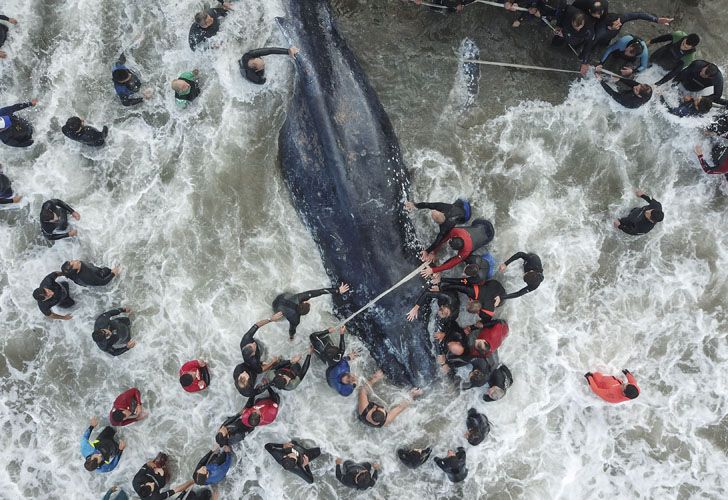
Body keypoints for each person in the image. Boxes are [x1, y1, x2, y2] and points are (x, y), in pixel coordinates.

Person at [273, 282, 350, 340]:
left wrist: (337, 290)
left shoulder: (299, 297)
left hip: (279, 300)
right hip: (279, 309)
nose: (308, 302)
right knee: (281, 315)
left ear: (303, 302)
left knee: (288, 296)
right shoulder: (295, 319)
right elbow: (292, 329)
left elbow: (320, 291)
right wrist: (291, 337)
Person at [421, 219, 495, 276]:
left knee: (463, 258)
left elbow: (452, 263)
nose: (448, 241)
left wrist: (434, 270)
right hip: (482, 223)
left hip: (488, 237)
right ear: (455, 237)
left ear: (460, 250)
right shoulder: (456, 231)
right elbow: (443, 239)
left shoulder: (466, 251)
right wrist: (433, 252)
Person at [404, 199, 472, 260]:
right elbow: (429, 205)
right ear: (441, 212)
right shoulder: (444, 207)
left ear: (438, 222)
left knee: (455, 226)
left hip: (466, 215)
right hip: (462, 203)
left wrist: (427, 251)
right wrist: (415, 205)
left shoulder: (445, 227)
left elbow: (438, 241)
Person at [234, 314, 283, 397]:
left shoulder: (246, 340)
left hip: (251, 364)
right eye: (253, 347)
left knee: (260, 359)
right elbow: (260, 371)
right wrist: (272, 362)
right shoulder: (248, 392)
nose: (253, 343)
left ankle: (262, 362)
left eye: (243, 373)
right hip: (255, 369)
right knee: (263, 370)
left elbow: (256, 325)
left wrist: (270, 319)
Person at [357, 369, 422, 428]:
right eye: (383, 409)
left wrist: (374, 378)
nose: (383, 407)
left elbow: (363, 390)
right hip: (368, 419)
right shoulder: (387, 420)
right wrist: (412, 395)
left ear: (374, 409)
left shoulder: (363, 409)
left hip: (364, 417)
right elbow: (400, 407)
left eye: (381, 408)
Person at [553, 6, 596, 76]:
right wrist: (558, 26)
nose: (578, 30)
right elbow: (561, 15)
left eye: (579, 28)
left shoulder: (589, 28)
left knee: (573, 44)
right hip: (566, 30)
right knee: (555, 43)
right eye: (575, 27)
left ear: (583, 23)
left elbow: (589, 45)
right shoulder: (569, 11)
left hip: (578, 37)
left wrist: (584, 62)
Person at [439, 279, 505, 323]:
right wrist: (442, 288)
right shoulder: (473, 291)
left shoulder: (486, 313)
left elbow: (486, 322)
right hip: (494, 285)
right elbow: (458, 286)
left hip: (499, 295)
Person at [592, 11, 672, 47]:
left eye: (619, 21)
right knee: (595, 44)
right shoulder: (600, 33)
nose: (620, 23)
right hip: (598, 36)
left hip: (609, 36)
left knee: (605, 43)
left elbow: (638, 15)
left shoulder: (621, 19)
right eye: (617, 24)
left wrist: (656, 20)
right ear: (609, 26)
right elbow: (590, 43)